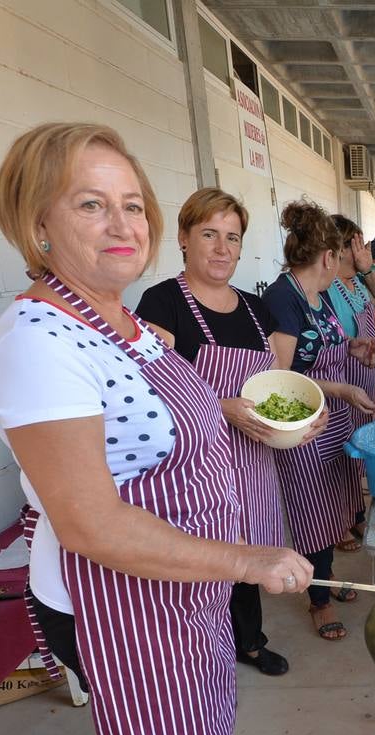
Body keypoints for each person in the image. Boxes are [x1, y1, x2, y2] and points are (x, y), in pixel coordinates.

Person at [0, 123, 314, 735]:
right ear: (37, 222)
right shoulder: (36, 341)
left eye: (133, 205)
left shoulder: (122, 321)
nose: (123, 224)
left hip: (178, 583)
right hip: (119, 603)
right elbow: (91, 525)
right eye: (91, 204)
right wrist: (245, 558)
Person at [136, 188, 322, 677]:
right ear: (183, 239)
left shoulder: (255, 308)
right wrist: (221, 408)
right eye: (209, 235)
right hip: (194, 465)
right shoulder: (162, 303)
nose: (222, 249)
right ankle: (197, 653)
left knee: (249, 552)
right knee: (205, 559)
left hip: (254, 461)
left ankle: (250, 642)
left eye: (232, 238)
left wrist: (302, 419)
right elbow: (149, 400)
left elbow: (280, 387)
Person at [262, 200, 375, 640]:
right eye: (340, 258)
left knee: (334, 499)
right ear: (329, 256)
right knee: (312, 507)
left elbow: (327, 345)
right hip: (303, 422)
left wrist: (355, 348)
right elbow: (283, 377)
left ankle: (326, 576)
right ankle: (318, 600)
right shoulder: (282, 298)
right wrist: (342, 389)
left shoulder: (318, 295)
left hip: (332, 414)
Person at [327, 213, 375, 550]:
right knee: (340, 450)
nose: (364, 248)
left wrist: (369, 268)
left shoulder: (360, 281)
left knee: (360, 445)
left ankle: (354, 513)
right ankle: (338, 521)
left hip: (365, 372)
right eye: (358, 244)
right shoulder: (327, 287)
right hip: (340, 377)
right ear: (340, 248)